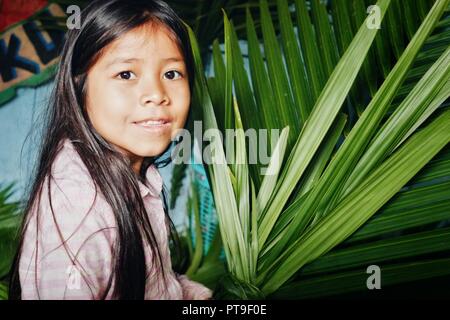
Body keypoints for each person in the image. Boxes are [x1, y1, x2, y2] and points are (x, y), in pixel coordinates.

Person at [8, 0, 212, 300]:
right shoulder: (78, 208)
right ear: (81, 85)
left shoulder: (130, 169)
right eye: (126, 74)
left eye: (171, 74)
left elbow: (153, 282)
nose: (156, 94)